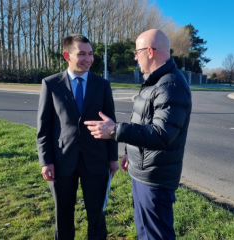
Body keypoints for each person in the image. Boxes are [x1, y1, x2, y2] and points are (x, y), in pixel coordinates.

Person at [84, 29, 192, 240]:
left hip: (155, 178)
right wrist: (130, 153)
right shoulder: (155, 80)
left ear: (150, 52)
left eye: (137, 52)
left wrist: (115, 130)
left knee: (155, 235)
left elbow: (162, 134)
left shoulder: (171, 85)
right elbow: (143, 122)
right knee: (145, 231)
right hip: (143, 170)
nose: (135, 57)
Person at [36, 34, 118, 240]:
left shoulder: (102, 85)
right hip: (62, 161)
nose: (88, 59)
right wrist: (45, 161)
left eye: (90, 54)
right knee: (63, 216)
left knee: (97, 216)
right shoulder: (51, 84)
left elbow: (111, 124)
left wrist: (113, 158)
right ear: (67, 55)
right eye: (82, 53)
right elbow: (44, 127)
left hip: (96, 160)